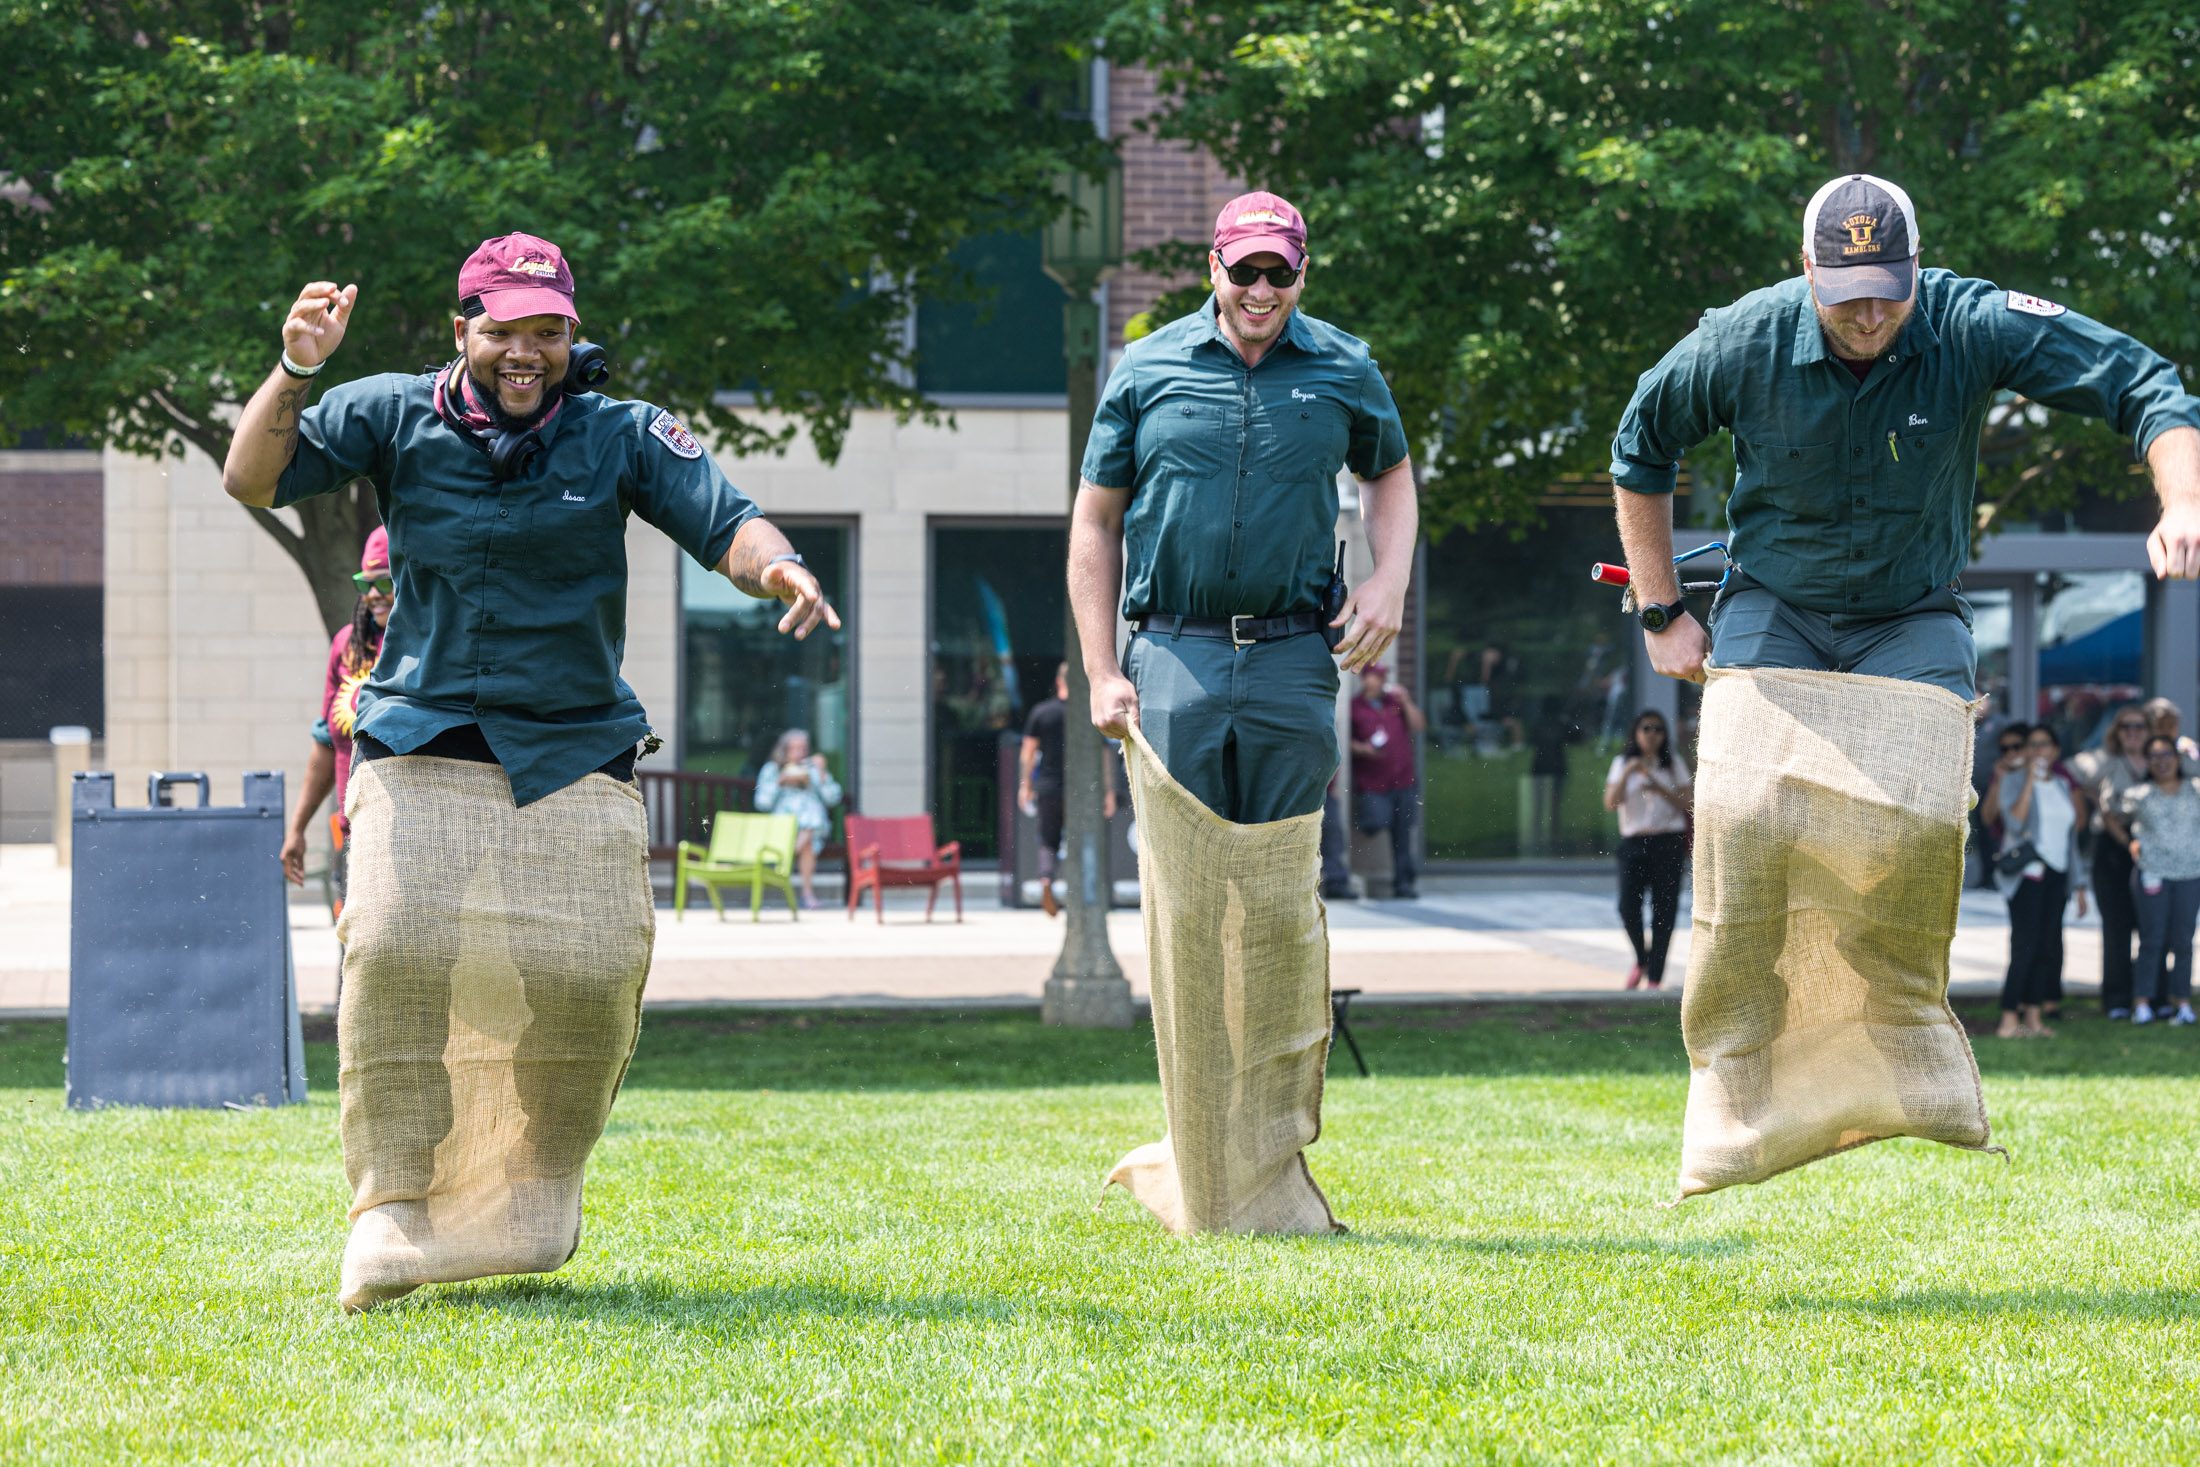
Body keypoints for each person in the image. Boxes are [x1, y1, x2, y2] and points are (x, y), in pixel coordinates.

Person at [220, 233, 838, 1311]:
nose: (525, 352)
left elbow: (726, 520)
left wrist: (777, 564)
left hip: (573, 742)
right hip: (420, 737)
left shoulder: (624, 434)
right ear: (463, 330)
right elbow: (251, 477)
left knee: (594, 973)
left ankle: (533, 1193)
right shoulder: (388, 412)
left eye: (546, 332)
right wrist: (299, 366)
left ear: (570, 335)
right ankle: (393, 1210)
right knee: (398, 952)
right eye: (503, 329)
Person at [1073, 190, 1414, 1235]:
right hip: (1169, 651)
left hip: (1292, 659)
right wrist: (1101, 668)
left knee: (1273, 912)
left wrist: (1389, 582)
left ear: (1301, 274)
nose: (1260, 291)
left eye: (1279, 273)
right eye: (1243, 271)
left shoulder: (1344, 369)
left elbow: (1392, 477)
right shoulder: (1146, 371)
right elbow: (1094, 525)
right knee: (1184, 911)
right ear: (1210, 270)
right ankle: (1195, 1154)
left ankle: (1266, 1167)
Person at [1613, 173, 2200, 696]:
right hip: (1774, 607)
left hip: (1915, 616)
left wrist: (2185, 503)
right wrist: (1660, 611)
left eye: (1889, 290)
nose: (1870, 317)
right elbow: (1641, 447)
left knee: (1920, 811)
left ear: (1917, 259)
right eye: (1849, 296)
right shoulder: (1740, 341)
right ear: (1809, 268)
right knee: (1754, 806)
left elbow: (2142, 382)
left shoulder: (1974, 324)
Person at [280, 526, 393, 919]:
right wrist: (297, 829)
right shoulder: (347, 645)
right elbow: (327, 741)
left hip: (413, 838)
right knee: (352, 957)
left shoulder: (427, 641)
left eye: (386, 581)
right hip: (354, 837)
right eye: (366, 583)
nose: (374, 594)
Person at [1993, 723, 2090, 1037]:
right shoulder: (2013, 780)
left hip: (2056, 875)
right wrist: (2030, 781)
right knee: (2025, 945)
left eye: (2044, 744)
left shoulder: (2062, 784)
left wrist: (2079, 885)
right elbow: (2013, 820)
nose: (2038, 751)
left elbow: (2070, 839)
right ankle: (2009, 1018)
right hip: (2027, 875)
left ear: (2055, 751)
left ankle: (2033, 1018)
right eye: (2032, 745)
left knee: (2046, 947)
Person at [2104, 734, 2200, 1027]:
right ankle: (2142, 1003)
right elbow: (2109, 812)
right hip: (2152, 872)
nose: (2162, 761)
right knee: (2152, 940)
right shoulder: (2139, 794)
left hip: (2190, 873)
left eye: (2167, 754)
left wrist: (2194, 754)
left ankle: (2181, 1002)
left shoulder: (2195, 789)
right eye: (2155, 756)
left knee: (2184, 941)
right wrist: (2129, 841)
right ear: (2148, 761)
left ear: (2178, 757)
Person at [2071, 706, 2152, 1017]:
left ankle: (2148, 996)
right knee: (2116, 926)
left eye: (2139, 726)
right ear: (2117, 732)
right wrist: (2088, 800)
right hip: (2111, 848)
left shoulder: (2161, 758)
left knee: (2151, 926)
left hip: (2152, 848)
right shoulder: (2103, 760)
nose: (2132, 732)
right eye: (2126, 727)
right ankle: (2117, 1000)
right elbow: (2067, 772)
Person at [1604, 710, 1693, 990]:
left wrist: (1658, 786)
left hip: (1667, 843)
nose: (1651, 734)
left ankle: (1654, 978)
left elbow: (1687, 802)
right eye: (1646, 728)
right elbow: (1610, 802)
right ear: (1636, 733)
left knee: (1663, 912)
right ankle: (1641, 959)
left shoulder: (1673, 764)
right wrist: (1630, 772)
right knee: (1627, 907)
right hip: (1633, 844)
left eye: (1657, 729)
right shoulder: (1622, 764)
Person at [1348, 662, 1425, 898]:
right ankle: (1368, 828)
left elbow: (1419, 726)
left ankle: (1404, 884)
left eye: (1381, 677)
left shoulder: (1395, 703)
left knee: (1403, 835)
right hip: (1373, 781)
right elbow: (1345, 739)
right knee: (1375, 820)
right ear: (1365, 679)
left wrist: (1407, 702)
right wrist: (1362, 749)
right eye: (1374, 676)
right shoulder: (1354, 707)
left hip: (1403, 780)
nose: (1378, 681)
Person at [753, 727, 842, 909]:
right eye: (794, 748)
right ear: (784, 749)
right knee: (808, 839)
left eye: (803, 748)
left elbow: (833, 798)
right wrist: (780, 782)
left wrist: (822, 774)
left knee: (809, 831)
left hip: (812, 828)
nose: (799, 753)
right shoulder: (772, 770)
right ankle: (807, 894)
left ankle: (792, 853)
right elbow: (762, 803)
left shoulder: (813, 769)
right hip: (783, 827)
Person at [2141, 697, 2200, 775]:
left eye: (2171, 725)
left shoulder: (2187, 749)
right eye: (2160, 725)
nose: (2166, 731)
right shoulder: (2138, 750)